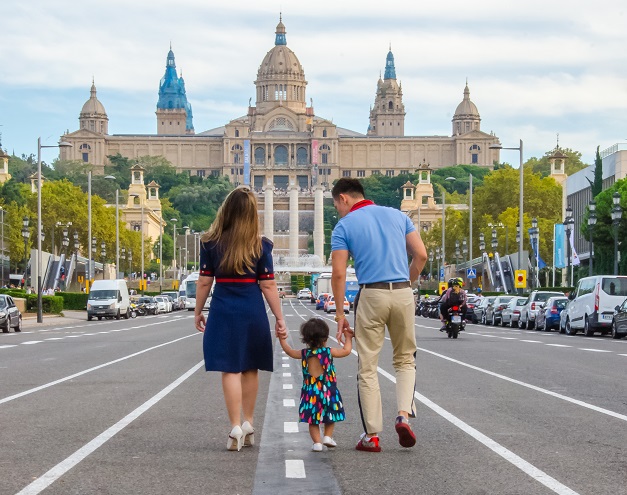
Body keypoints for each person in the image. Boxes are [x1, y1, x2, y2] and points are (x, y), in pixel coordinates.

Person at [330, 178, 427, 452]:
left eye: (336, 204)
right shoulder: (399, 216)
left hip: (371, 294)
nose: (337, 209)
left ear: (344, 198)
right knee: (406, 359)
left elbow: (338, 273)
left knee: (368, 365)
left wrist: (340, 314)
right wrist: (406, 283)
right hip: (403, 293)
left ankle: (371, 435)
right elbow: (421, 255)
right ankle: (403, 415)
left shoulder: (345, 225)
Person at [194, 186, 286, 452]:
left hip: (223, 308)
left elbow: (203, 282)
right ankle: (249, 422)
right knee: (250, 367)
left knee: (230, 367)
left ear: (227, 209)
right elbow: (268, 286)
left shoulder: (211, 242)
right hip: (252, 309)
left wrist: (199, 311)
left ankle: (235, 427)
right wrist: (279, 318)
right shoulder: (262, 245)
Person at [279, 318, 351, 452]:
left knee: (313, 420)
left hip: (310, 392)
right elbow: (346, 351)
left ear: (306, 339)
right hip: (328, 390)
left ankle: (317, 443)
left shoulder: (304, 353)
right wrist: (348, 338)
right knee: (330, 416)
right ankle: (328, 437)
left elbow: (289, 351)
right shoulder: (329, 352)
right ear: (325, 338)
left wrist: (282, 339)